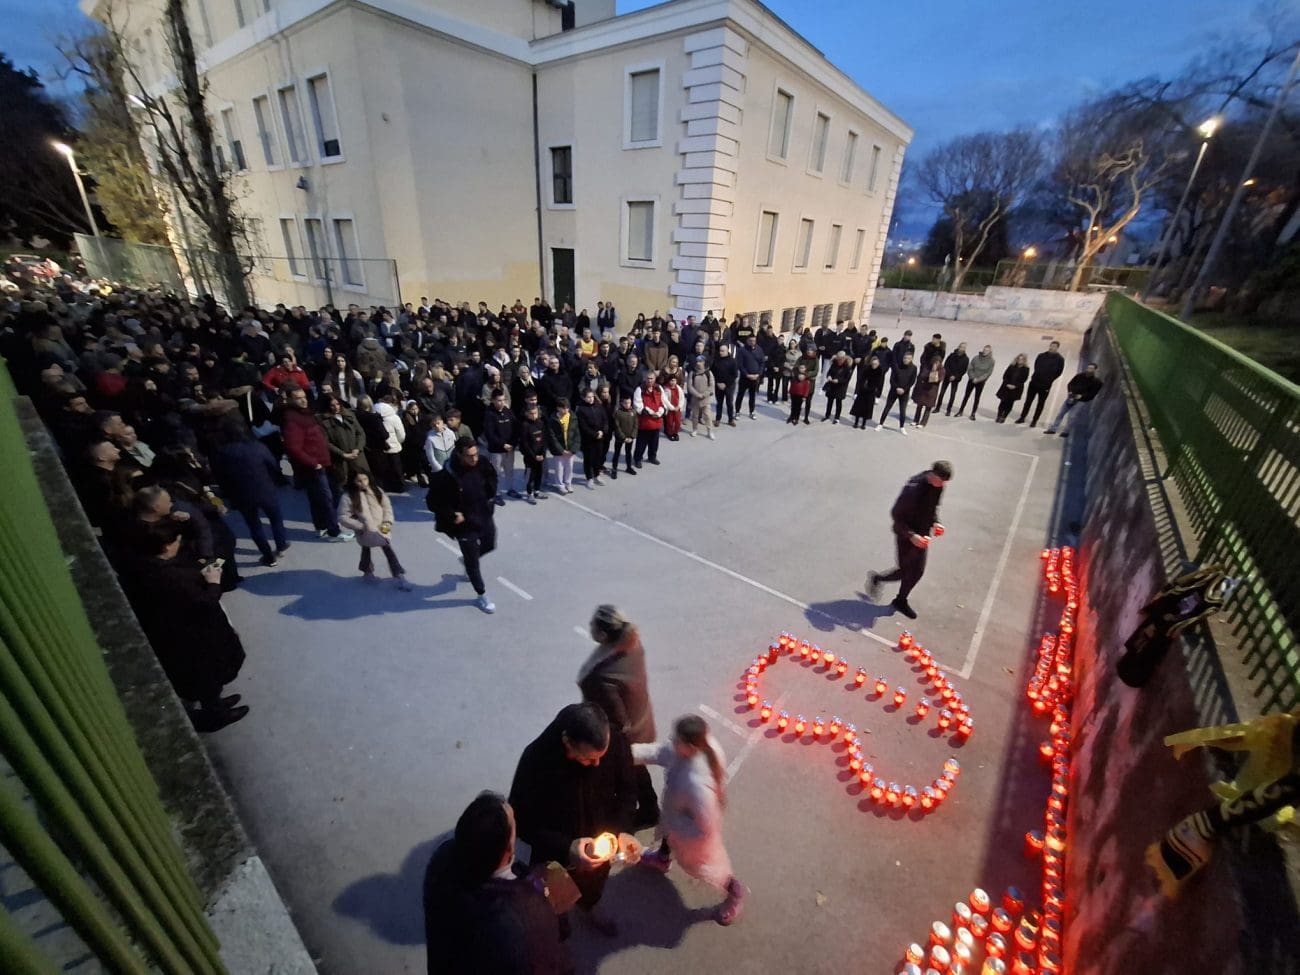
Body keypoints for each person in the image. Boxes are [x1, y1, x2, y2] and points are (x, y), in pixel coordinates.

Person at [508, 703, 641, 937]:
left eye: (602, 756)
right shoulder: (535, 762)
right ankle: (560, 916)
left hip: (600, 841)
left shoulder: (617, 742)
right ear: (567, 743)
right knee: (557, 893)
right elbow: (522, 821)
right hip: (555, 853)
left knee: (594, 885)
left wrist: (623, 830)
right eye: (588, 759)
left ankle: (589, 907)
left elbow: (628, 791)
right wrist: (566, 847)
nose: (597, 764)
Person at [119, 521, 249, 732]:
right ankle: (216, 715)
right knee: (207, 674)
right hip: (195, 636)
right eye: (177, 541)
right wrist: (214, 582)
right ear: (166, 546)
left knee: (208, 676)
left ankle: (215, 703)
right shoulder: (173, 578)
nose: (179, 545)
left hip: (177, 633)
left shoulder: (145, 567)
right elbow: (206, 603)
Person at [422, 791, 569, 975]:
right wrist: (558, 877)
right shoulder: (525, 917)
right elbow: (550, 949)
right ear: (509, 847)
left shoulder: (442, 859)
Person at [634, 715, 748, 926]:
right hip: (675, 819)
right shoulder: (686, 750)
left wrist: (675, 825)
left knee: (709, 871)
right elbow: (658, 752)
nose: (672, 741)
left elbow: (706, 828)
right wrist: (623, 753)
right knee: (667, 837)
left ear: (690, 747)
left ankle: (735, 892)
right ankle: (662, 858)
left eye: (677, 739)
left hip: (694, 844)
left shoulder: (697, 786)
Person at [578, 605, 659, 830]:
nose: (590, 627)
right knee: (638, 768)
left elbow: (616, 719)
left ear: (604, 635)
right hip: (642, 718)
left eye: (593, 626)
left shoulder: (600, 677)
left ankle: (644, 811)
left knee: (627, 771)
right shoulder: (633, 644)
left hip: (626, 735)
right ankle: (650, 808)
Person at [867, 460, 953, 620]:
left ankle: (900, 600)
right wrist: (912, 536)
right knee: (905, 571)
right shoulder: (913, 490)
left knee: (917, 572)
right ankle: (878, 578)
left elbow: (933, 508)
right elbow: (896, 516)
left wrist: (936, 523)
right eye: (940, 481)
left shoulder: (938, 486)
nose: (942, 485)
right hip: (906, 536)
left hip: (922, 535)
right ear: (933, 475)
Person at [426, 438, 498, 614]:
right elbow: (432, 502)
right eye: (469, 456)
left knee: (490, 544)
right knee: (472, 562)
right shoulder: (446, 475)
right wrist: (452, 514)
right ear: (459, 455)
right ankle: (481, 595)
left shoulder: (482, 462)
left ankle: (466, 560)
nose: (474, 459)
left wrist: (490, 496)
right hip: (464, 525)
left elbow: (492, 476)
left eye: (476, 454)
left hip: (483, 515)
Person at [209, 415, 289, 567]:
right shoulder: (257, 447)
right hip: (265, 489)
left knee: (254, 525)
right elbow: (273, 465)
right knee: (275, 518)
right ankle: (281, 544)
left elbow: (220, 477)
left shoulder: (221, 453)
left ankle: (268, 557)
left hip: (241, 495)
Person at [281, 386, 353, 541]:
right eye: (298, 398)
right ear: (290, 400)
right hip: (313, 466)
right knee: (326, 498)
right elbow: (293, 447)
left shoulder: (305, 414)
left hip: (321, 463)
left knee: (318, 498)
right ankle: (334, 532)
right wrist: (313, 463)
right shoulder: (293, 419)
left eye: (304, 397)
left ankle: (321, 526)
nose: (303, 400)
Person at [339, 470, 411, 590]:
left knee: (388, 550)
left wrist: (387, 522)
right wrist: (360, 526)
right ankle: (367, 572)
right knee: (366, 550)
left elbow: (387, 507)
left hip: (382, 528)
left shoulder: (376, 490)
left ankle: (399, 575)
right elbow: (343, 516)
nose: (363, 483)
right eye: (359, 481)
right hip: (365, 530)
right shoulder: (348, 496)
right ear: (353, 481)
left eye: (365, 479)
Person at [482, 389, 521, 503]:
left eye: (503, 400)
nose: (502, 402)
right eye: (499, 400)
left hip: (510, 449)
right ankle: (496, 493)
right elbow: (490, 433)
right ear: (493, 400)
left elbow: (516, 427)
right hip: (496, 450)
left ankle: (510, 489)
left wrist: (513, 443)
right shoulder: (489, 414)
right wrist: (502, 444)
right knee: (496, 473)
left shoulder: (508, 411)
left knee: (509, 470)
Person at [1017, 340, 1066, 427]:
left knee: (1040, 403)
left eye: (1054, 347)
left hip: (1045, 385)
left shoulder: (1060, 359)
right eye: (1051, 346)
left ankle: (1034, 420)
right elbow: (1036, 366)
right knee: (1028, 401)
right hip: (1034, 382)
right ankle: (1022, 417)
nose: (1052, 348)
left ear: (1057, 348)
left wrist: (1050, 379)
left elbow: (1059, 372)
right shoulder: (1041, 355)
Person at [1045, 363, 1103, 436]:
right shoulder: (1079, 376)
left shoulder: (1097, 382)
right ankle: (1053, 429)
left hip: (1081, 401)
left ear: (1095, 370)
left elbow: (1092, 394)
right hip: (1071, 397)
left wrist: (1082, 396)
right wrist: (1070, 391)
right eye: (1088, 368)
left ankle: (1066, 432)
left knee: (1072, 416)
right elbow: (1070, 384)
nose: (1089, 370)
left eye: (1091, 369)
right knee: (1061, 413)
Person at [575, 387, 610, 486]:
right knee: (588, 459)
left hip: (600, 437)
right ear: (583, 398)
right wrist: (595, 434)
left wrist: (603, 431)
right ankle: (589, 477)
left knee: (598, 457)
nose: (591, 399)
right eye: (588, 397)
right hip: (588, 439)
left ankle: (596, 475)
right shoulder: (581, 410)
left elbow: (605, 419)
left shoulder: (599, 406)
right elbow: (583, 426)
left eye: (592, 397)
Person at [546, 397, 580, 495]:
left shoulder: (573, 417)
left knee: (569, 467)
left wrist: (573, 449)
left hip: (570, 448)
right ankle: (560, 485)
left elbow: (577, 434)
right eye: (563, 408)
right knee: (559, 468)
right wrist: (561, 450)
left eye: (567, 408)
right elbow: (552, 437)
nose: (566, 410)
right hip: (559, 450)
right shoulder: (553, 420)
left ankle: (568, 483)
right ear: (558, 408)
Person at [517, 401, 549, 503]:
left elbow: (544, 440)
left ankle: (537, 491)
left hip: (540, 455)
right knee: (530, 475)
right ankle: (529, 493)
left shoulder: (541, 423)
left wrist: (543, 453)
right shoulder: (525, 425)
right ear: (527, 414)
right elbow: (525, 444)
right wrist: (534, 456)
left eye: (535, 413)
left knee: (539, 473)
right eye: (531, 413)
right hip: (530, 457)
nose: (534, 415)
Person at [880, 351, 918, 433]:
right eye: (905, 358)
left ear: (911, 359)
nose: (906, 360)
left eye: (908, 358)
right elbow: (892, 379)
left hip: (904, 392)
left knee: (902, 410)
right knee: (887, 407)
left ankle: (902, 427)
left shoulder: (914, 368)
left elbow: (912, 381)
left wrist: (904, 389)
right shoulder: (897, 365)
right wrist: (896, 388)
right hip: (894, 391)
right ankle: (880, 424)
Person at [632, 374, 665, 468]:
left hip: (656, 420)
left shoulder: (659, 388)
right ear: (645, 379)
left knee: (654, 442)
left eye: (652, 378)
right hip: (645, 421)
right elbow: (638, 405)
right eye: (648, 378)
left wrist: (660, 412)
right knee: (641, 443)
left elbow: (662, 401)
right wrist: (650, 413)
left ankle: (652, 457)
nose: (650, 380)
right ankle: (638, 459)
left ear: (655, 379)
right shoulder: (639, 389)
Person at [957, 345, 995, 420]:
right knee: (966, 396)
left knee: (977, 398)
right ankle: (960, 411)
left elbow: (988, 373)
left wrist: (978, 379)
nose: (985, 351)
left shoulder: (991, 361)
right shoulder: (976, 358)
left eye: (987, 350)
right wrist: (973, 377)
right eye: (984, 350)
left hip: (980, 382)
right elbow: (970, 368)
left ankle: (973, 414)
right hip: (972, 379)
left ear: (990, 352)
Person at [849, 354, 885, 429]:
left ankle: (863, 424)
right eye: (873, 363)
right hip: (862, 391)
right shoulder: (867, 369)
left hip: (871, 392)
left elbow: (878, 383)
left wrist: (871, 389)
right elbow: (861, 379)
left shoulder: (880, 371)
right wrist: (862, 387)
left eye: (876, 364)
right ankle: (856, 422)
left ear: (878, 364)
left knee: (867, 408)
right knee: (859, 407)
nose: (874, 365)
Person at [912, 352, 945, 428]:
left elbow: (938, 379)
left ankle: (923, 422)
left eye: (938, 362)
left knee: (928, 407)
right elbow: (923, 375)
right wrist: (930, 373)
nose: (936, 364)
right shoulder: (927, 367)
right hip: (924, 389)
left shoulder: (942, 370)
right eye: (935, 362)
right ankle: (916, 420)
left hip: (932, 391)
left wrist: (934, 372)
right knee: (919, 405)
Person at [735, 335, 765, 419]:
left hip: (755, 377)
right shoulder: (742, 350)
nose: (752, 342)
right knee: (740, 395)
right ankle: (737, 412)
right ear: (747, 341)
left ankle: (751, 412)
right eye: (750, 341)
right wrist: (747, 374)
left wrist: (758, 374)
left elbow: (762, 363)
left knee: (752, 396)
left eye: (754, 341)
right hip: (745, 377)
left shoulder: (759, 350)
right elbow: (740, 364)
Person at [995, 354, 1031, 423]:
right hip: (1006, 387)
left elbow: (1024, 379)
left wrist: (1015, 386)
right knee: (1003, 402)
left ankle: (1004, 416)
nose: (1020, 360)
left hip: (1016, 389)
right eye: (1019, 359)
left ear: (1024, 361)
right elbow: (1005, 376)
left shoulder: (1026, 369)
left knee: (1010, 403)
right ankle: (999, 415)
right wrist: (1007, 384)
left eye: (1022, 359)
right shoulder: (1011, 366)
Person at [686, 356, 715, 439]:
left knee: (708, 416)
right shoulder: (692, 373)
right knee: (695, 416)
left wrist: (704, 395)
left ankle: (710, 431)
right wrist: (697, 394)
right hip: (695, 399)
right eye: (697, 361)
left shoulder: (708, 373)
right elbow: (690, 386)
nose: (698, 363)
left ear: (704, 362)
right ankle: (694, 429)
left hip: (705, 399)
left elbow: (711, 386)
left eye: (700, 361)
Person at [821, 350, 853, 423]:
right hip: (832, 385)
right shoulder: (834, 364)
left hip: (840, 387)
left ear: (844, 358)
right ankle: (827, 415)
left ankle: (837, 418)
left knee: (838, 402)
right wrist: (829, 376)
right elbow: (829, 372)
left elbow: (847, 378)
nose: (839, 360)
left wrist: (838, 380)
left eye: (841, 359)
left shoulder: (847, 367)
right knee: (829, 401)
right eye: (838, 358)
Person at [711, 344, 738, 427]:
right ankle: (718, 419)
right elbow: (713, 373)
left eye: (723, 351)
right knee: (719, 403)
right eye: (720, 351)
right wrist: (717, 383)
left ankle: (730, 419)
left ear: (727, 351)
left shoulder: (732, 361)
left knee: (729, 403)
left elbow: (734, 375)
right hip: (718, 385)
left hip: (729, 386)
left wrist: (726, 384)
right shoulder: (716, 360)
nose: (721, 352)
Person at [610, 395, 638, 477]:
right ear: (622, 403)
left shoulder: (633, 412)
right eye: (625, 403)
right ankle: (614, 469)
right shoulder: (618, 413)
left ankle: (629, 467)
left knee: (628, 453)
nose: (627, 404)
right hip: (620, 438)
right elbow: (617, 427)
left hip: (630, 437)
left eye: (629, 402)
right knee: (617, 453)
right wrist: (624, 437)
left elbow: (636, 425)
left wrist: (632, 436)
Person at [940, 343, 969, 416]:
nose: (961, 348)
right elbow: (946, 365)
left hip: (956, 379)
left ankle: (948, 410)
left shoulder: (966, 359)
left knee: (952, 394)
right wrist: (949, 374)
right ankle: (937, 407)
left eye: (963, 347)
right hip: (947, 376)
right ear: (958, 347)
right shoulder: (952, 355)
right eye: (961, 347)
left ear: (965, 349)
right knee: (942, 392)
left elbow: (964, 370)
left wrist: (955, 376)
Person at [661, 374, 685, 441]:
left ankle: (675, 433)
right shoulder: (666, 389)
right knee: (670, 423)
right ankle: (670, 433)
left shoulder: (679, 388)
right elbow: (665, 400)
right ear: (669, 381)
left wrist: (679, 406)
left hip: (677, 408)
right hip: (670, 409)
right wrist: (671, 407)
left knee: (678, 422)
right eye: (671, 381)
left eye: (674, 380)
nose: (673, 382)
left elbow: (682, 398)